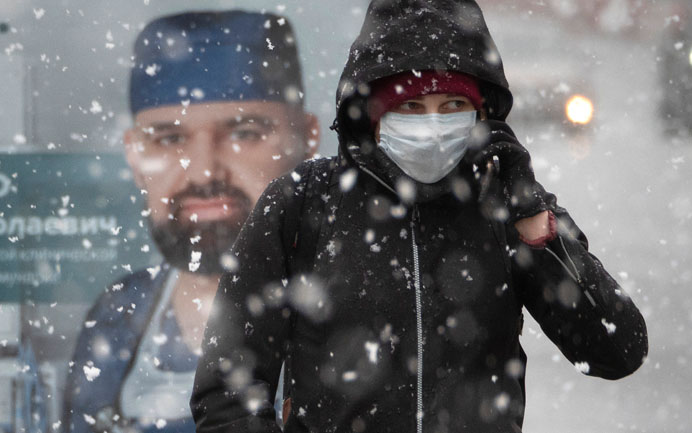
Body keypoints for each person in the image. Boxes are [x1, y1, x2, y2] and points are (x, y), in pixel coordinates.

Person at [191, 1, 648, 432]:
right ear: (370, 114)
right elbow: (227, 389)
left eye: (452, 106)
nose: (432, 126)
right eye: (410, 107)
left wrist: (534, 224)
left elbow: (616, 351)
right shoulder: (303, 202)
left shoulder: (506, 202)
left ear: (481, 116)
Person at [63, 10, 317, 433]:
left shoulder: (362, 306)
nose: (203, 172)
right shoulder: (117, 316)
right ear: (134, 155)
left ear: (308, 139)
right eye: (170, 138)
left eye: (244, 132)